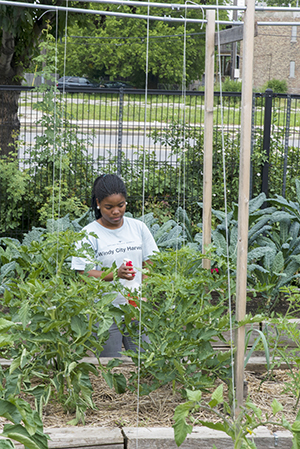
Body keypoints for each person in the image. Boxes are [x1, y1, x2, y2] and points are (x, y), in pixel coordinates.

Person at [71, 174, 158, 357]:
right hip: (105, 313)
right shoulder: (88, 234)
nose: (116, 212)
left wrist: (145, 295)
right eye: (109, 207)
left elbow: (149, 263)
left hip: (137, 308)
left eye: (121, 205)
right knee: (110, 363)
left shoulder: (139, 228)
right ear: (98, 203)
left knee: (145, 361)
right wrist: (114, 275)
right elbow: (84, 273)